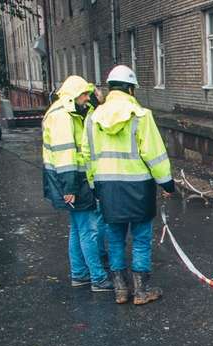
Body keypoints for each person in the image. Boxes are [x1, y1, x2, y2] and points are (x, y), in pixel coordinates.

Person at [81, 65, 175, 305]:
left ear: (110, 88)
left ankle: (121, 290)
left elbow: (87, 155)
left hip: (107, 188)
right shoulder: (141, 116)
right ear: (131, 89)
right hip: (139, 188)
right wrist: (166, 182)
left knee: (114, 238)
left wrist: (94, 185)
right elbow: (154, 153)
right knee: (142, 238)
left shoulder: (92, 119)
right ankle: (142, 290)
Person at [42, 75, 114, 292]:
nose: (86, 98)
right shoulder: (62, 116)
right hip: (72, 180)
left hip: (70, 180)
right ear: (74, 94)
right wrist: (70, 188)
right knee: (89, 230)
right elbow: (65, 155)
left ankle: (79, 274)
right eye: (84, 94)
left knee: (78, 228)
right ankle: (98, 279)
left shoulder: (67, 111)